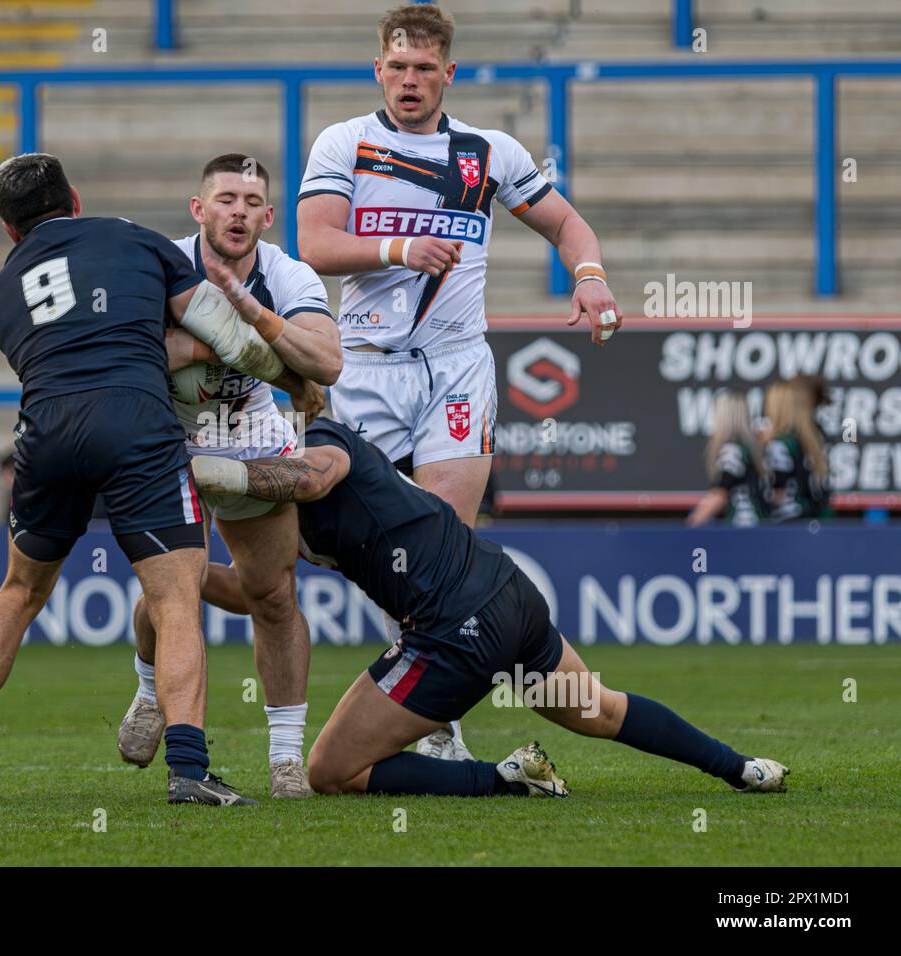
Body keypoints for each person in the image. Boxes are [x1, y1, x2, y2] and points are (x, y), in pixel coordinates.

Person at [0, 152, 291, 806]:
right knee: (173, 600)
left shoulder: (1, 292)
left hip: (46, 433)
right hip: (137, 424)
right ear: (74, 197)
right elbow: (227, 336)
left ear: (9, 229)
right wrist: (295, 379)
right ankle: (189, 770)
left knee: (19, 591)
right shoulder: (134, 238)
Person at [296, 2, 623, 760]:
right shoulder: (346, 141)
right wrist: (400, 248)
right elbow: (313, 243)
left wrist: (592, 277)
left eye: (424, 68)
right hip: (366, 367)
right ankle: (417, 709)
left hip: (456, 369)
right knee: (376, 551)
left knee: (444, 545)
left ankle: (437, 728)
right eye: (397, 66)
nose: (409, 81)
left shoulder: (491, 151)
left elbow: (567, 226)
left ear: (448, 71)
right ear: (378, 69)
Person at [188, 418, 790, 799]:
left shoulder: (323, 439)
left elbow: (313, 480)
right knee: (600, 711)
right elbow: (255, 592)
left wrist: (221, 472)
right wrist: (181, 580)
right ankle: (741, 769)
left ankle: (502, 779)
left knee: (329, 771)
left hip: (457, 628)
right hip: (507, 593)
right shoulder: (275, 500)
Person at [118, 154, 342, 798]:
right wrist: (244, 352)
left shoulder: (287, 273)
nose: (238, 212)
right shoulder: (159, 263)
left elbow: (326, 362)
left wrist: (251, 313)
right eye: (225, 199)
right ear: (199, 209)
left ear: (268, 217)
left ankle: (284, 758)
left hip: (249, 433)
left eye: (251, 201)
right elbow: (127, 351)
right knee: (171, 595)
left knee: (271, 596)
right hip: (168, 434)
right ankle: (147, 690)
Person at [686, 391, 767, 527]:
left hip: (744, 525)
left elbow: (719, 495)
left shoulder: (733, 451)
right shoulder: (749, 449)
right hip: (761, 524)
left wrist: (690, 524)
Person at [764, 380, 831, 522]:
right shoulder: (814, 438)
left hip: (788, 521)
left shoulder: (780, 444)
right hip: (816, 517)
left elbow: (778, 493)